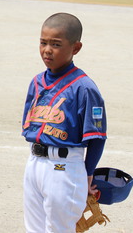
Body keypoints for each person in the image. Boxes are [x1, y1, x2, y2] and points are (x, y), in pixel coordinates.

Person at [21, 13, 107, 233]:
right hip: (34, 164)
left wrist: (87, 175)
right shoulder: (36, 82)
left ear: (75, 48)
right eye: (43, 42)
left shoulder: (84, 88)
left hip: (65, 168)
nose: (47, 49)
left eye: (56, 44)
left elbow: (97, 138)